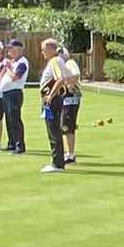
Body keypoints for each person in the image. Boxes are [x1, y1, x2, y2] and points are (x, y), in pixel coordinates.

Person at [37, 37, 73, 172]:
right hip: (54, 99)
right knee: (54, 130)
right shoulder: (58, 61)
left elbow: (60, 79)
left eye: (43, 49)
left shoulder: (54, 61)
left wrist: (51, 95)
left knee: (53, 131)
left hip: (52, 100)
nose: (42, 52)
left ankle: (57, 163)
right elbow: (71, 76)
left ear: (51, 49)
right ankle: (57, 161)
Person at [0, 38, 27, 154]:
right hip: (6, 93)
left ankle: (20, 145)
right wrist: (5, 68)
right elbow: (0, 78)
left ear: (17, 49)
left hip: (14, 92)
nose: (9, 51)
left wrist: (8, 68)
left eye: (11, 48)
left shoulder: (22, 62)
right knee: (8, 119)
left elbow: (16, 77)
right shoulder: (13, 62)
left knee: (14, 118)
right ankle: (11, 143)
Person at [58, 47, 82, 164]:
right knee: (64, 124)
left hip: (70, 96)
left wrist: (67, 85)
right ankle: (68, 152)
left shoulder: (69, 63)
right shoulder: (61, 64)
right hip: (66, 97)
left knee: (68, 125)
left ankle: (71, 155)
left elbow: (76, 75)